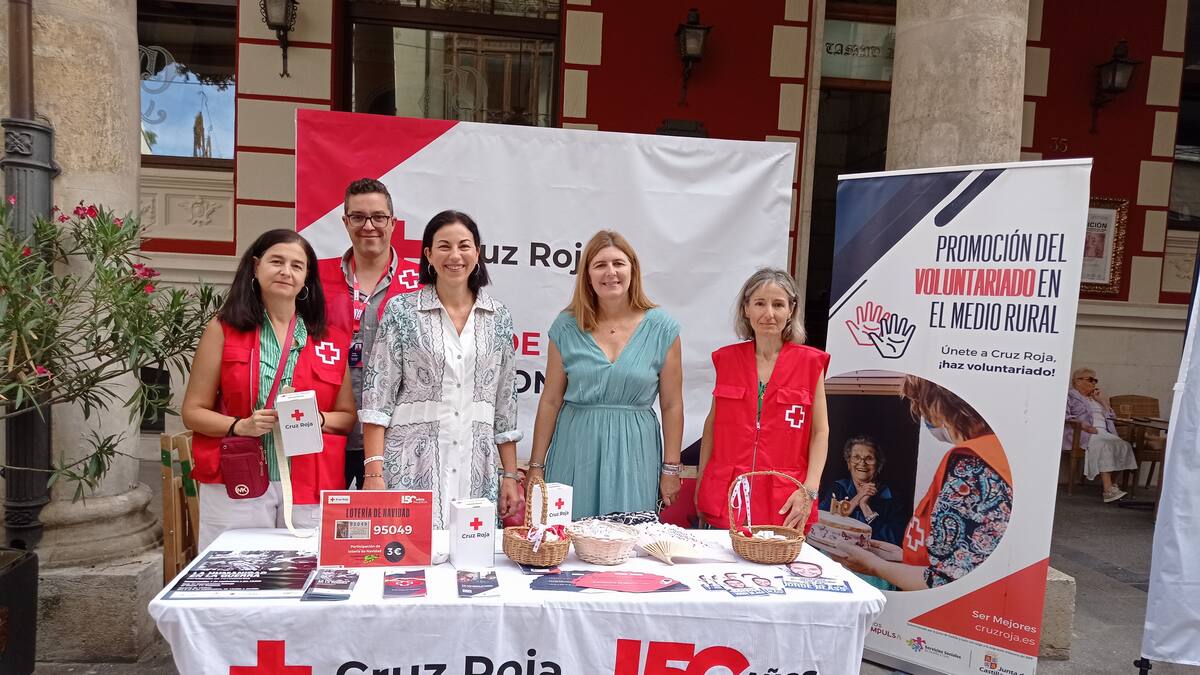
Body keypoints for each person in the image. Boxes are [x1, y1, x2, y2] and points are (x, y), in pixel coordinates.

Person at [182, 229, 357, 550]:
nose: (285, 272)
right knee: (235, 572)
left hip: (310, 481)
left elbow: (346, 418)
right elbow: (192, 412)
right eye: (276, 261)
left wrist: (316, 419)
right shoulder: (223, 330)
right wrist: (239, 426)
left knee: (305, 576)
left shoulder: (328, 341)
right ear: (255, 266)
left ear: (307, 278)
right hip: (239, 478)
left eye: (297, 265)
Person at [359, 210, 521, 528]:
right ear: (429, 255)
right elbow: (377, 398)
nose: (455, 255)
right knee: (407, 562)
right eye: (444, 246)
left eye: (464, 245)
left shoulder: (498, 316)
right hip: (411, 466)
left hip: (479, 465)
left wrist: (510, 475)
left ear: (477, 252)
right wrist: (373, 473)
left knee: (473, 563)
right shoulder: (402, 311)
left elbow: (505, 404)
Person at [526, 231, 684, 519]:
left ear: (633, 269)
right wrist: (536, 467)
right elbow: (550, 400)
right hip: (576, 445)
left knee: (628, 542)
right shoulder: (566, 326)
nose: (610, 272)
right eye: (599, 265)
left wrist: (671, 468)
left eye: (618, 264)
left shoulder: (662, 329)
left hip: (634, 450)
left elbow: (672, 405)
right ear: (587, 275)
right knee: (567, 539)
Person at [829, 376, 1012, 591]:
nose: (919, 412)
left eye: (921, 403)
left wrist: (874, 565)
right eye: (855, 458)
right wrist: (901, 556)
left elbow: (943, 580)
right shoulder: (839, 487)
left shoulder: (972, 467)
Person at [696, 268, 830, 533]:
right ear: (746, 308)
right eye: (759, 303)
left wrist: (809, 491)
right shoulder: (726, 360)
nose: (769, 314)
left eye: (778, 304)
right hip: (727, 497)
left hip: (784, 501)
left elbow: (820, 431)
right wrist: (702, 483)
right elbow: (712, 425)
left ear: (791, 310)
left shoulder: (810, 363)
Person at [318, 178, 422, 489]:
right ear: (345, 221)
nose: (369, 226)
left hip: (394, 434)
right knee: (320, 528)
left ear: (392, 222)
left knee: (386, 531)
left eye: (378, 217)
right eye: (358, 217)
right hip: (329, 430)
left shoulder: (421, 282)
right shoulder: (314, 277)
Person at [1065, 367, 1137, 502]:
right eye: (1090, 379)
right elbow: (1066, 416)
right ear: (1077, 382)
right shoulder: (1070, 396)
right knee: (1105, 446)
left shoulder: (1096, 398)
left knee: (1124, 446)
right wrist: (1084, 425)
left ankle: (1112, 484)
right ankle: (1108, 490)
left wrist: (1102, 401)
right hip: (1084, 433)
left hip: (1105, 432)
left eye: (1095, 380)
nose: (1094, 383)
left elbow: (1112, 417)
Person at [820, 436, 903, 546]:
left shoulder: (890, 497)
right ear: (849, 463)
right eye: (856, 457)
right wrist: (858, 497)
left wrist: (865, 507)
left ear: (878, 465)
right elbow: (820, 523)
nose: (862, 463)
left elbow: (894, 539)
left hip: (874, 558)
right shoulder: (838, 488)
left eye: (869, 458)